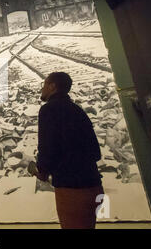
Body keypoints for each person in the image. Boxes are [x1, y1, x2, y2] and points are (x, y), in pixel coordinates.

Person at [36, 72, 104, 229]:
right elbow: (95, 151)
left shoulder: (49, 110)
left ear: (52, 86)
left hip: (71, 188)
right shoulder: (77, 110)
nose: (42, 89)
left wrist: (43, 170)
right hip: (93, 184)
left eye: (44, 85)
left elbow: (47, 146)